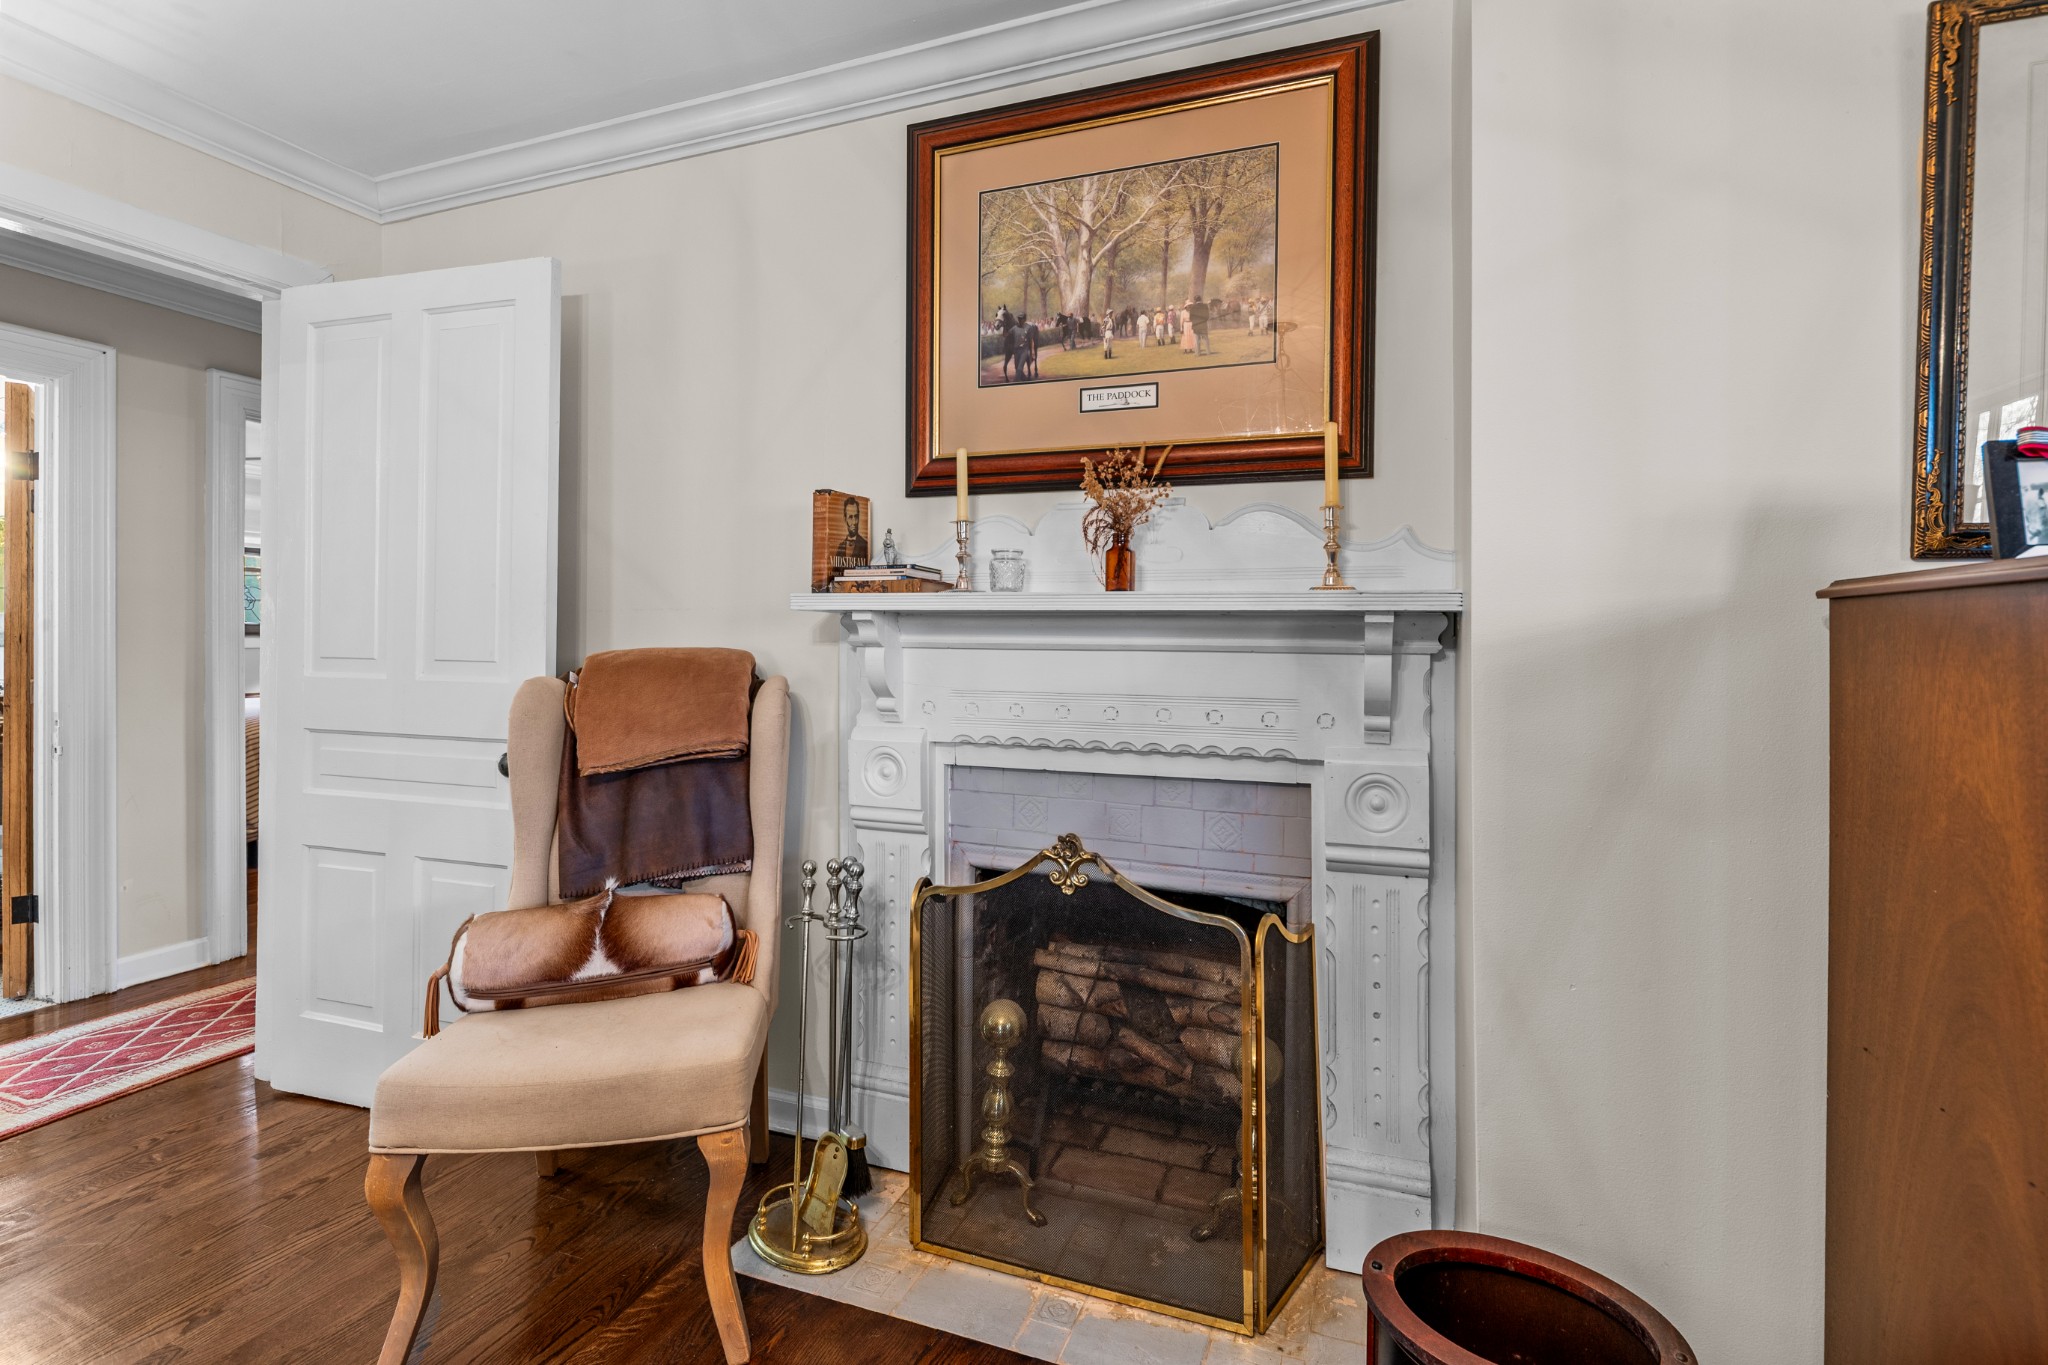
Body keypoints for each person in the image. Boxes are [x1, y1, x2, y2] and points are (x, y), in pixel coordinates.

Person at [830, 497, 869, 571]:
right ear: (845, 519)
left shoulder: (865, 545)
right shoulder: (840, 546)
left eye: (856, 517)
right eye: (850, 517)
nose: (854, 522)